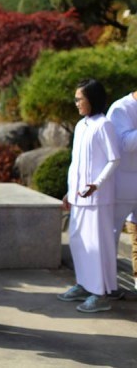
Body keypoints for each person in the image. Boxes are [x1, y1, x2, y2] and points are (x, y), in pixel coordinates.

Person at [59, 79, 121, 312]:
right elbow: (76, 163)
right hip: (79, 197)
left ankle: (101, 293)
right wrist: (69, 191)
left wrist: (96, 184)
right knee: (79, 242)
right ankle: (84, 284)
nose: (75, 103)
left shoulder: (104, 125)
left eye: (79, 99)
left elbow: (114, 158)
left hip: (98, 199)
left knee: (97, 246)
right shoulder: (81, 125)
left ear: (91, 99)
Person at [107, 88, 137, 292]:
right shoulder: (121, 108)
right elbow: (126, 143)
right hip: (121, 184)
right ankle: (103, 286)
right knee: (111, 235)